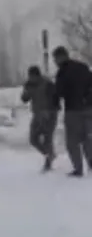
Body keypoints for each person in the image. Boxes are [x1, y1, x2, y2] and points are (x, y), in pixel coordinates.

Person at [52, 46, 92, 177]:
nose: (55, 62)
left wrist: (55, 104)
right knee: (87, 138)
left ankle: (78, 169)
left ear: (60, 57)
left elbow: (59, 92)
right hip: (88, 108)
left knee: (72, 142)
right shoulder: (83, 67)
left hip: (73, 110)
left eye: (55, 58)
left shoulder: (62, 72)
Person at [20, 65, 58, 171]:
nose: (31, 78)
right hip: (37, 114)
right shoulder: (29, 84)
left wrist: (49, 111)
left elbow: (55, 99)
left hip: (49, 114)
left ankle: (48, 162)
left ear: (38, 75)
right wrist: (26, 91)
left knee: (47, 138)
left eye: (32, 76)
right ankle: (49, 154)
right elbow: (24, 99)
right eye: (29, 76)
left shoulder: (48, 83)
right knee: (33, 139)